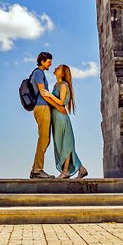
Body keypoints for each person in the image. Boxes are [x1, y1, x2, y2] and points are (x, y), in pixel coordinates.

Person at [45, 64, 88, 179]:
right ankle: (81, 169)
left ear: (63, 73)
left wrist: (49, 95)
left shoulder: (63, 85)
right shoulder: (56, 85)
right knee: (63, 144)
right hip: (56, 117)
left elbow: (61, 102)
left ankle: (65, 171)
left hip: (61, 117)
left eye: (58, 68)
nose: (55, 68)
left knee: (65, 144)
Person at [29, 51, 66, 179]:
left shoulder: (40, 73)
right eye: (49, 62)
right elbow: (43, 93)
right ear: (42, 61)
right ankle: (37, 171)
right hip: (42, 107)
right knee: (44, 139)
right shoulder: (38, 73)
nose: (50, 64)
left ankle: (35, 170)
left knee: (45, 139)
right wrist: (58, 106)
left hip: (42, 107)